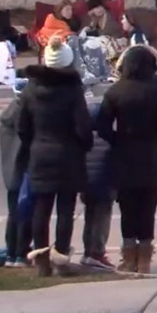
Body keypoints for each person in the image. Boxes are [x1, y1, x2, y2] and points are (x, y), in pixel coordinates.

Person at [96, 46, 157, 274]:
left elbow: (103, 126)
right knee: (148, 208)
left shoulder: (115, 91)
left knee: (128, 208)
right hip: (152, 154)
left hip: (124, 153)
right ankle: (145, 257)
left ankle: (128, 254)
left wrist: (116, 139)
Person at [18, 38, 93, 277]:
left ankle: (41, 261)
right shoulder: (72, 89)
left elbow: (23, 126)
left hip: (40, 152)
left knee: (41, 206)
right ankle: (61, 257)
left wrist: (33, 144)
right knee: (65, 208)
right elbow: (82, 125)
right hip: (68, 154)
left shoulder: (31, 88)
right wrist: (85, 145)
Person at [80, 98, 115, 270]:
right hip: (104, 184)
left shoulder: (82, 139)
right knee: (102, 220)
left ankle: (88, 251)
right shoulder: (108, 139)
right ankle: (97, 252)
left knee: (89, 217)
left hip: (86, 184)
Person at [0, 82, 30, 267]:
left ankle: (11, 253)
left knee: (13, 213)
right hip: (23, 171)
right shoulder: (22, 117)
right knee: (25, 212)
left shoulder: (6, 120)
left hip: (10, 174)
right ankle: (20, 253)